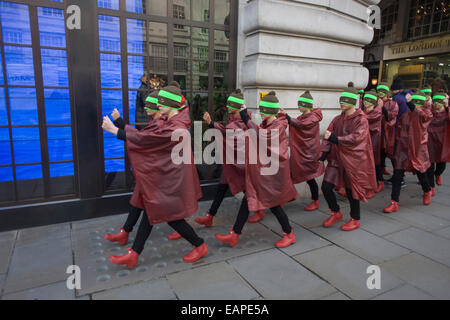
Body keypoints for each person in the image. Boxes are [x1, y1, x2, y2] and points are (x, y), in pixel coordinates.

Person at [101, 81, 208, 268]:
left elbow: (147, 139)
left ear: (172, 104)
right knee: (151, 210)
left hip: (170, 182)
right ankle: (134, 253)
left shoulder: (176, 128)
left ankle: (199, 245)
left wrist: (116, 130)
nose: (158, 105)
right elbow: (148, 139)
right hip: (165, 178)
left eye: (162, 102)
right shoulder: (171, 123)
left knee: (171, 218)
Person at [214, 92, 298, 248]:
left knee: (273, 205)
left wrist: (246, 118)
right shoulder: (267, 124)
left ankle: (289, 234)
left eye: (263, 109)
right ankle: (235, 234)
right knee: (248, 199)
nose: (260, 112)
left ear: (269, 111)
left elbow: (262, 136)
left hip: (272, 175)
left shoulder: (277, 126)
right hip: (264, 173)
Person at [192, 89, 267, 226]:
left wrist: (211, 123)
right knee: (222, 188)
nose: (227, 107)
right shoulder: (234, 119)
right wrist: (212, 124)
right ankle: (210, 216)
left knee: (247, 190)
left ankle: (259, 211)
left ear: (236, 106)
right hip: (233, 163)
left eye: (229, 105)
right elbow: (226, 131)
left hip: (241, 164)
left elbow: (227, 132)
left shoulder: (242, 121)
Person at [104, 91, 164, 246]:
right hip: (151, 174)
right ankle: (126, 233)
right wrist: (119, 121)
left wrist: (115, 129)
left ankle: (199, 244)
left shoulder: (161, 125)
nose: (145, 107)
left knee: (163, 216)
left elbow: (141, 139)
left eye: (149, 105)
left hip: (156, 175)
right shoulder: (155, 123)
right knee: (138, 201)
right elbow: (139, 135)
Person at [319, 86, 377, 231]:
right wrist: (323, 154)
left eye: (345, 101)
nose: (342, 103)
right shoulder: (337, 119)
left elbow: (357, 138)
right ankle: (336, 212)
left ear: (353, 102)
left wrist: (335, 139)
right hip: (336, 159)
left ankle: (355, 218)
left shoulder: (361, 119)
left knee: (352, 190)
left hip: (353, 161)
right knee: (326, 187)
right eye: (341, 100)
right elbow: (327, 136)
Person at [384, 90, 433, 213]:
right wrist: (396, 148)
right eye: (413, 102)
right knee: (397, 176)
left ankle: (427, 191)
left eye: (418, 103)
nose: (415, 105)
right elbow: (399, 131)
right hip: (403, 149)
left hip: (417, 149)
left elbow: (423, 116)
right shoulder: (405, 116)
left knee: (421, 173)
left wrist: (412, 105)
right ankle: (394, 202)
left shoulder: (426, 114)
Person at [284, 90, 325, 211]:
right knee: (298, 175)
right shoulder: (302, 117)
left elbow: (302, 126)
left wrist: (287, 117)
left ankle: (315, 200)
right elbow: (298, 127)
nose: (298, 106)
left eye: (300, 104)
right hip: (302, 153)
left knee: (309, 177)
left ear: (305, 105)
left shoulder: (312, 118)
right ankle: (288, 196)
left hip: (309, 153)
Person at [426, 92, 449, 192]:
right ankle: (431, 187)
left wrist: (447, 106)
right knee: (429, 165)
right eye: (435, 102)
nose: (436, 104)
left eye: (439, 102)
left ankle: (438, 174)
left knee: (441, 165)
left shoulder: (447, 113)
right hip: (430, 142)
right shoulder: (430, 111)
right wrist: (427, 103)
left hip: (442, 143)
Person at [362, 90, 383, 195]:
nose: (366, 102)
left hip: (373, 142)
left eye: (369, 100)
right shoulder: (364, 111)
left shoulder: (376, 112)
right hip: (364, 142)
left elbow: (365, 119)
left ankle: (371, 188)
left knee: (371, 165)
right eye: (365, 99)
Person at [377, 82, 399, 177]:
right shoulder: (374, 102)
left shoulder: (392, 103)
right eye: (379, 91)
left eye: (383, 91)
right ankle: (382, 169)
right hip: (377, 132)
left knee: (391, 153)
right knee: (379, 153)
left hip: (387, 132)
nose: (380, 93)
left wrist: (382, 108)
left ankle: (398, 174)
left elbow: (391, 116)